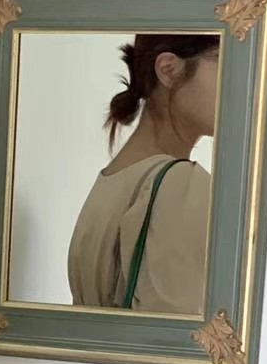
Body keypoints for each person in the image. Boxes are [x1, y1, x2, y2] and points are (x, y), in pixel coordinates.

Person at [68, 33, 220, 312]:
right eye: (223, 63)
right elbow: (176, 333)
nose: (240, 84)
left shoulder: (110, 179)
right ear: (168, 69)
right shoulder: (179, 184)